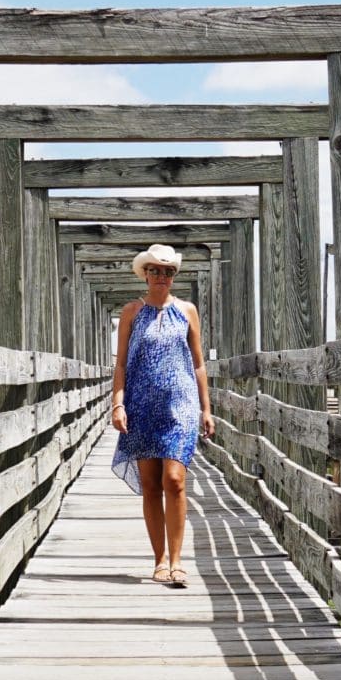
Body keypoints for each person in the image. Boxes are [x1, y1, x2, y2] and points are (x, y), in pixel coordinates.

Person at [111, 243, 215, 588]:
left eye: (168, 271)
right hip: (141, 406)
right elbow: (122, 362)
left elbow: (199, 363)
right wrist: (118, 403)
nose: (161, 276)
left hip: (180, 406)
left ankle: (177, 559)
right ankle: (159, 561)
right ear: (145, 273)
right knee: (152, 485)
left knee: (174, 479)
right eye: (155, 270)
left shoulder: (187, 311)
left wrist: (206, 408)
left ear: (174, 276)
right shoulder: (131, 312)